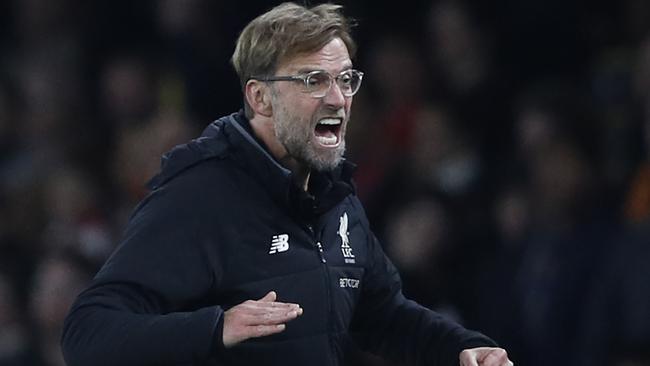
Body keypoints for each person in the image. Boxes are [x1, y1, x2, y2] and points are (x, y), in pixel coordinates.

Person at [61, 3, 513, 366]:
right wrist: (215, 328)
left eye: (345, 80)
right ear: (260, 97)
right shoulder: (199, 197)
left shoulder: (336, 198)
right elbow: (88, 332)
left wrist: (460, 348)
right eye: (313, 80)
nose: (337, 98)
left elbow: (382, 315)